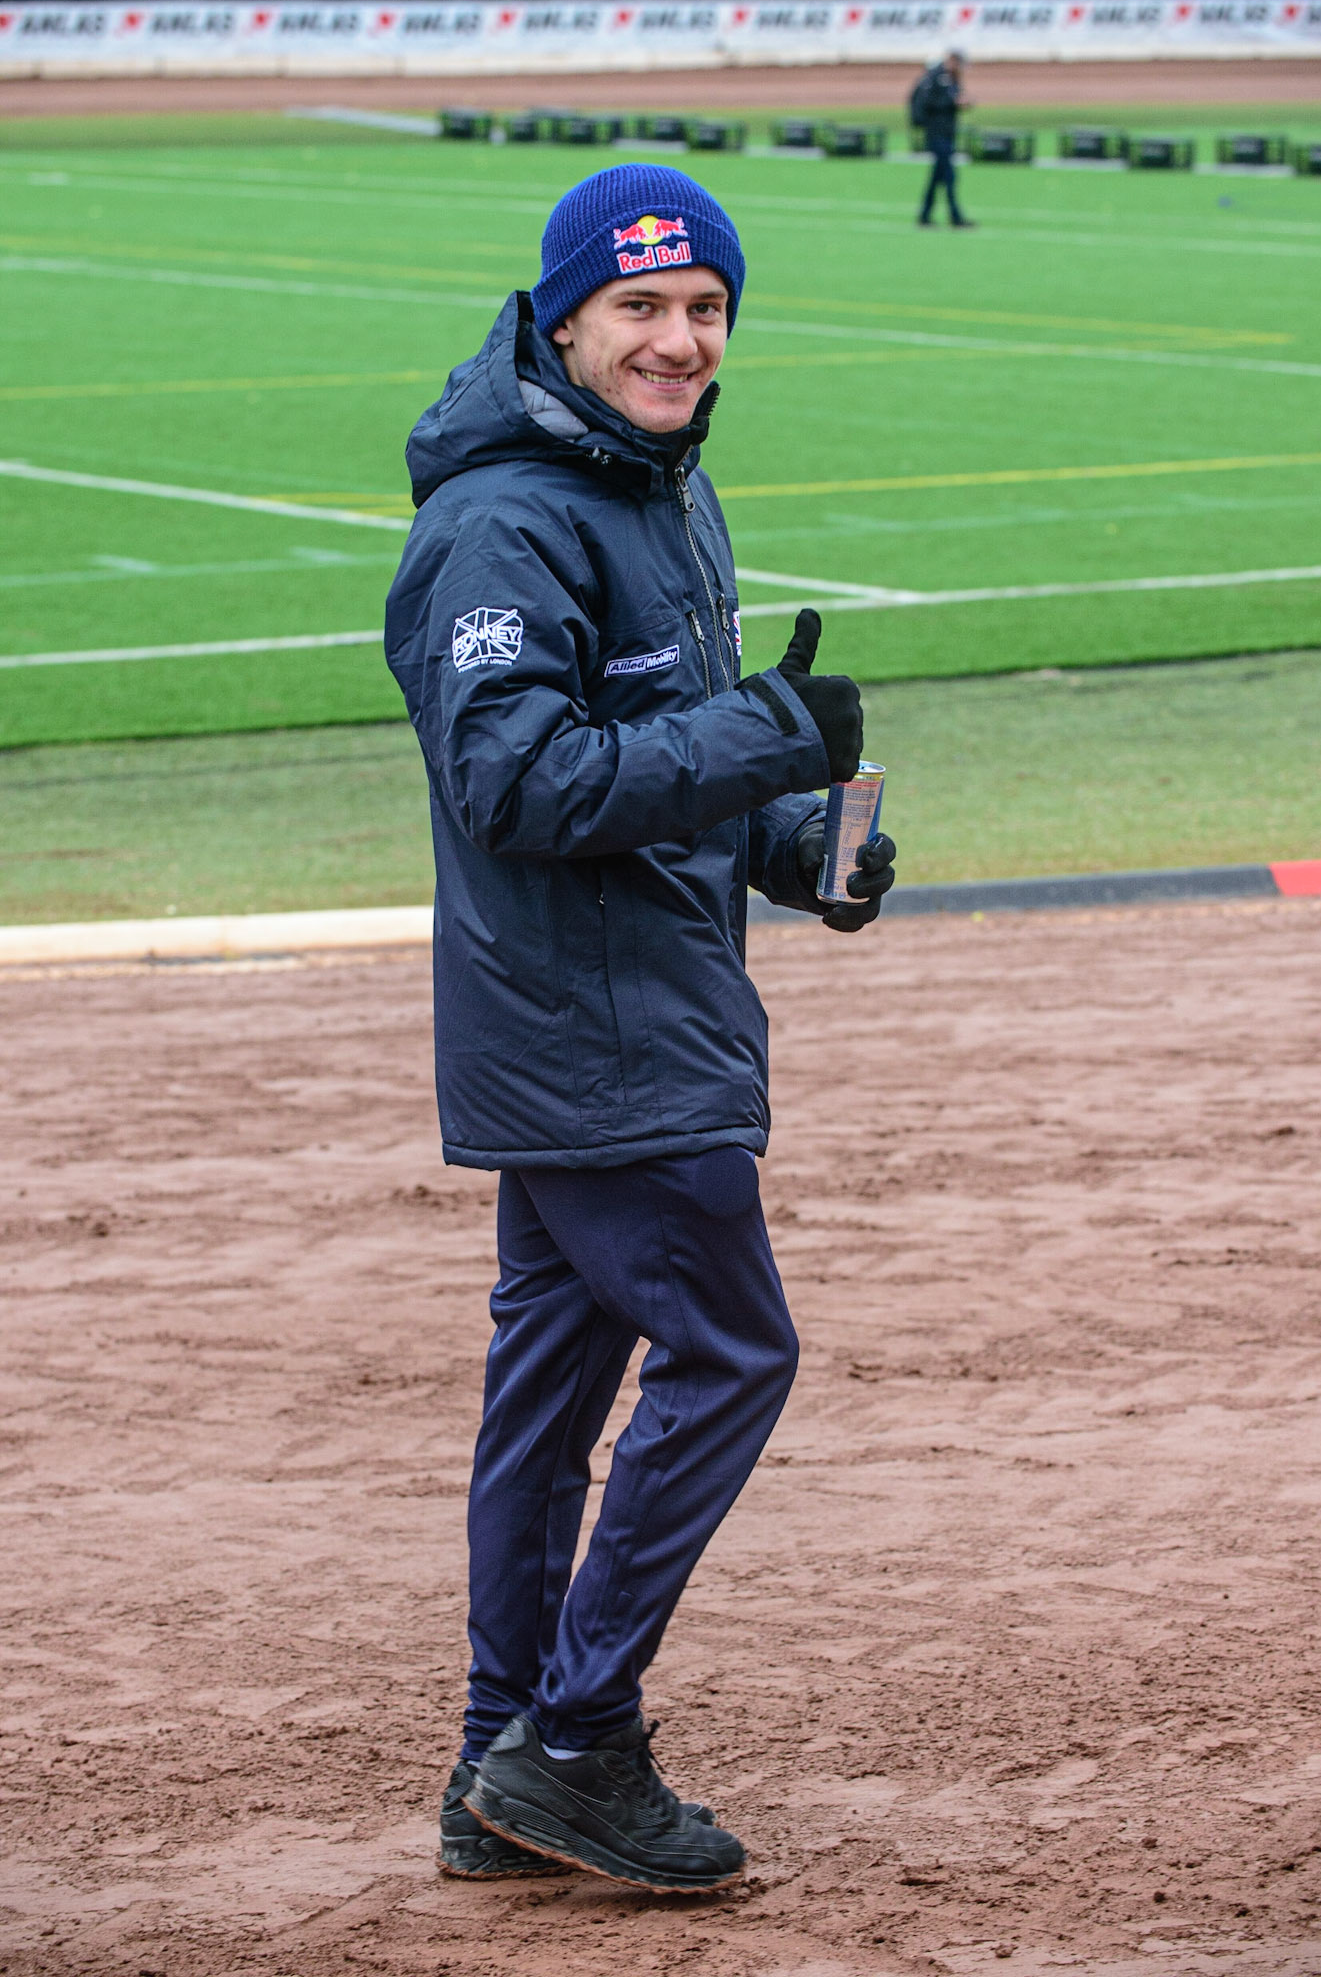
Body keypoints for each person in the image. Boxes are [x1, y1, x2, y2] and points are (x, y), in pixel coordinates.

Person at [384, 163, 898, 1895]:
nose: (678, 341)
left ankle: (495, 1767)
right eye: (641, 309)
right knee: (732, 1351)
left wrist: (796, 846)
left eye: (705, 311)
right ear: (560, 319)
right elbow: (516, 785)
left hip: (618, 1015)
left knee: (549, 1398)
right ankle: (578, 1738)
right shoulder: (501, 524)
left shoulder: (662, 494)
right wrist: (764, 743)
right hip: (600, 1039)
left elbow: (648, 774)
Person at [910, 49, 975, 229]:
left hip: (946, 134)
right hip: (937, 134)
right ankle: (955, 217)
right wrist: (952, 103)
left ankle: (925, 216)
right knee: (949, 176)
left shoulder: (949, 79)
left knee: (937, 177)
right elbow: (928, 104)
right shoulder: (937, 79)